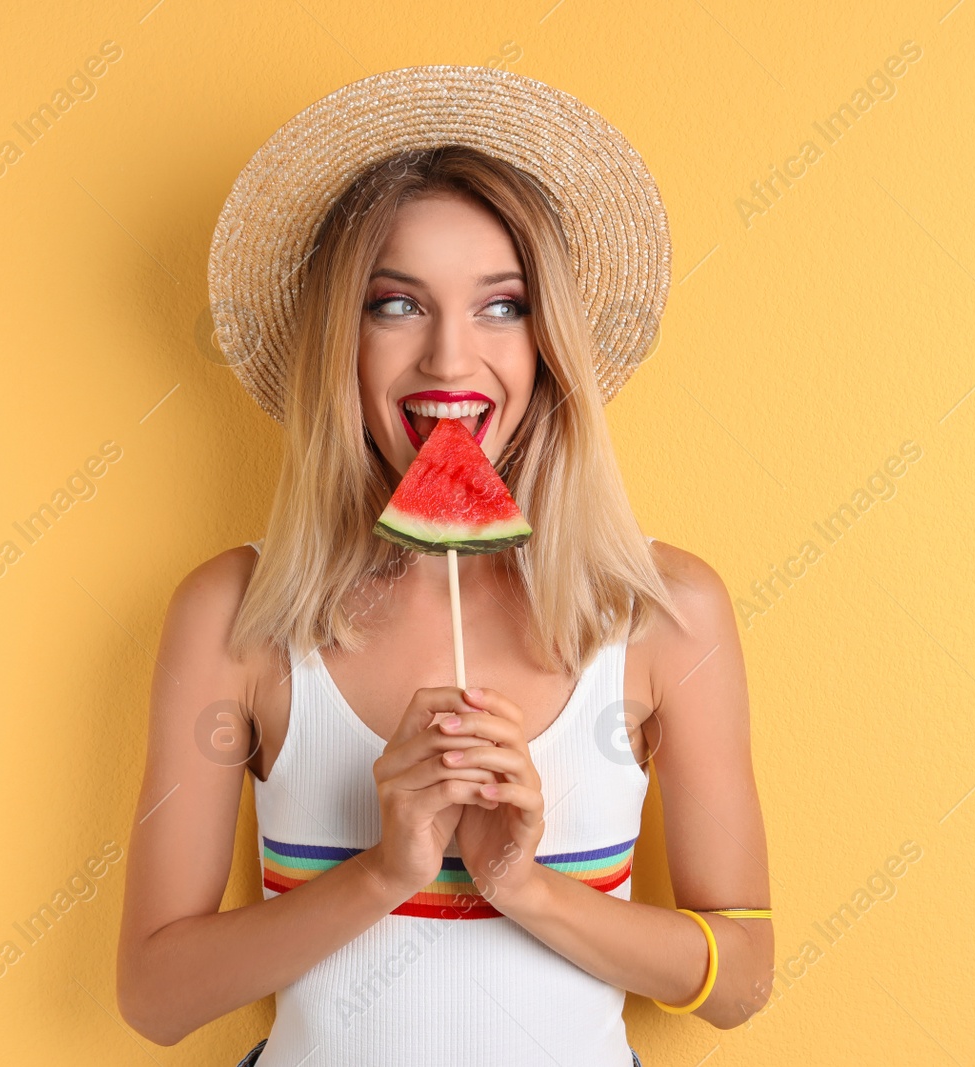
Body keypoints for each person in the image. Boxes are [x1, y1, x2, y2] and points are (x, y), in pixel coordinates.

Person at [116, 65, 772, 1066]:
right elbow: (156, 997)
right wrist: (386, 868)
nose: (450, 362)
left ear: (551, 343)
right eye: (395, 305)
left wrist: (522, 882)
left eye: (501, 307)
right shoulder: (233, 615)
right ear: (342, 339)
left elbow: (742, 977)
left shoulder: (666, 612)